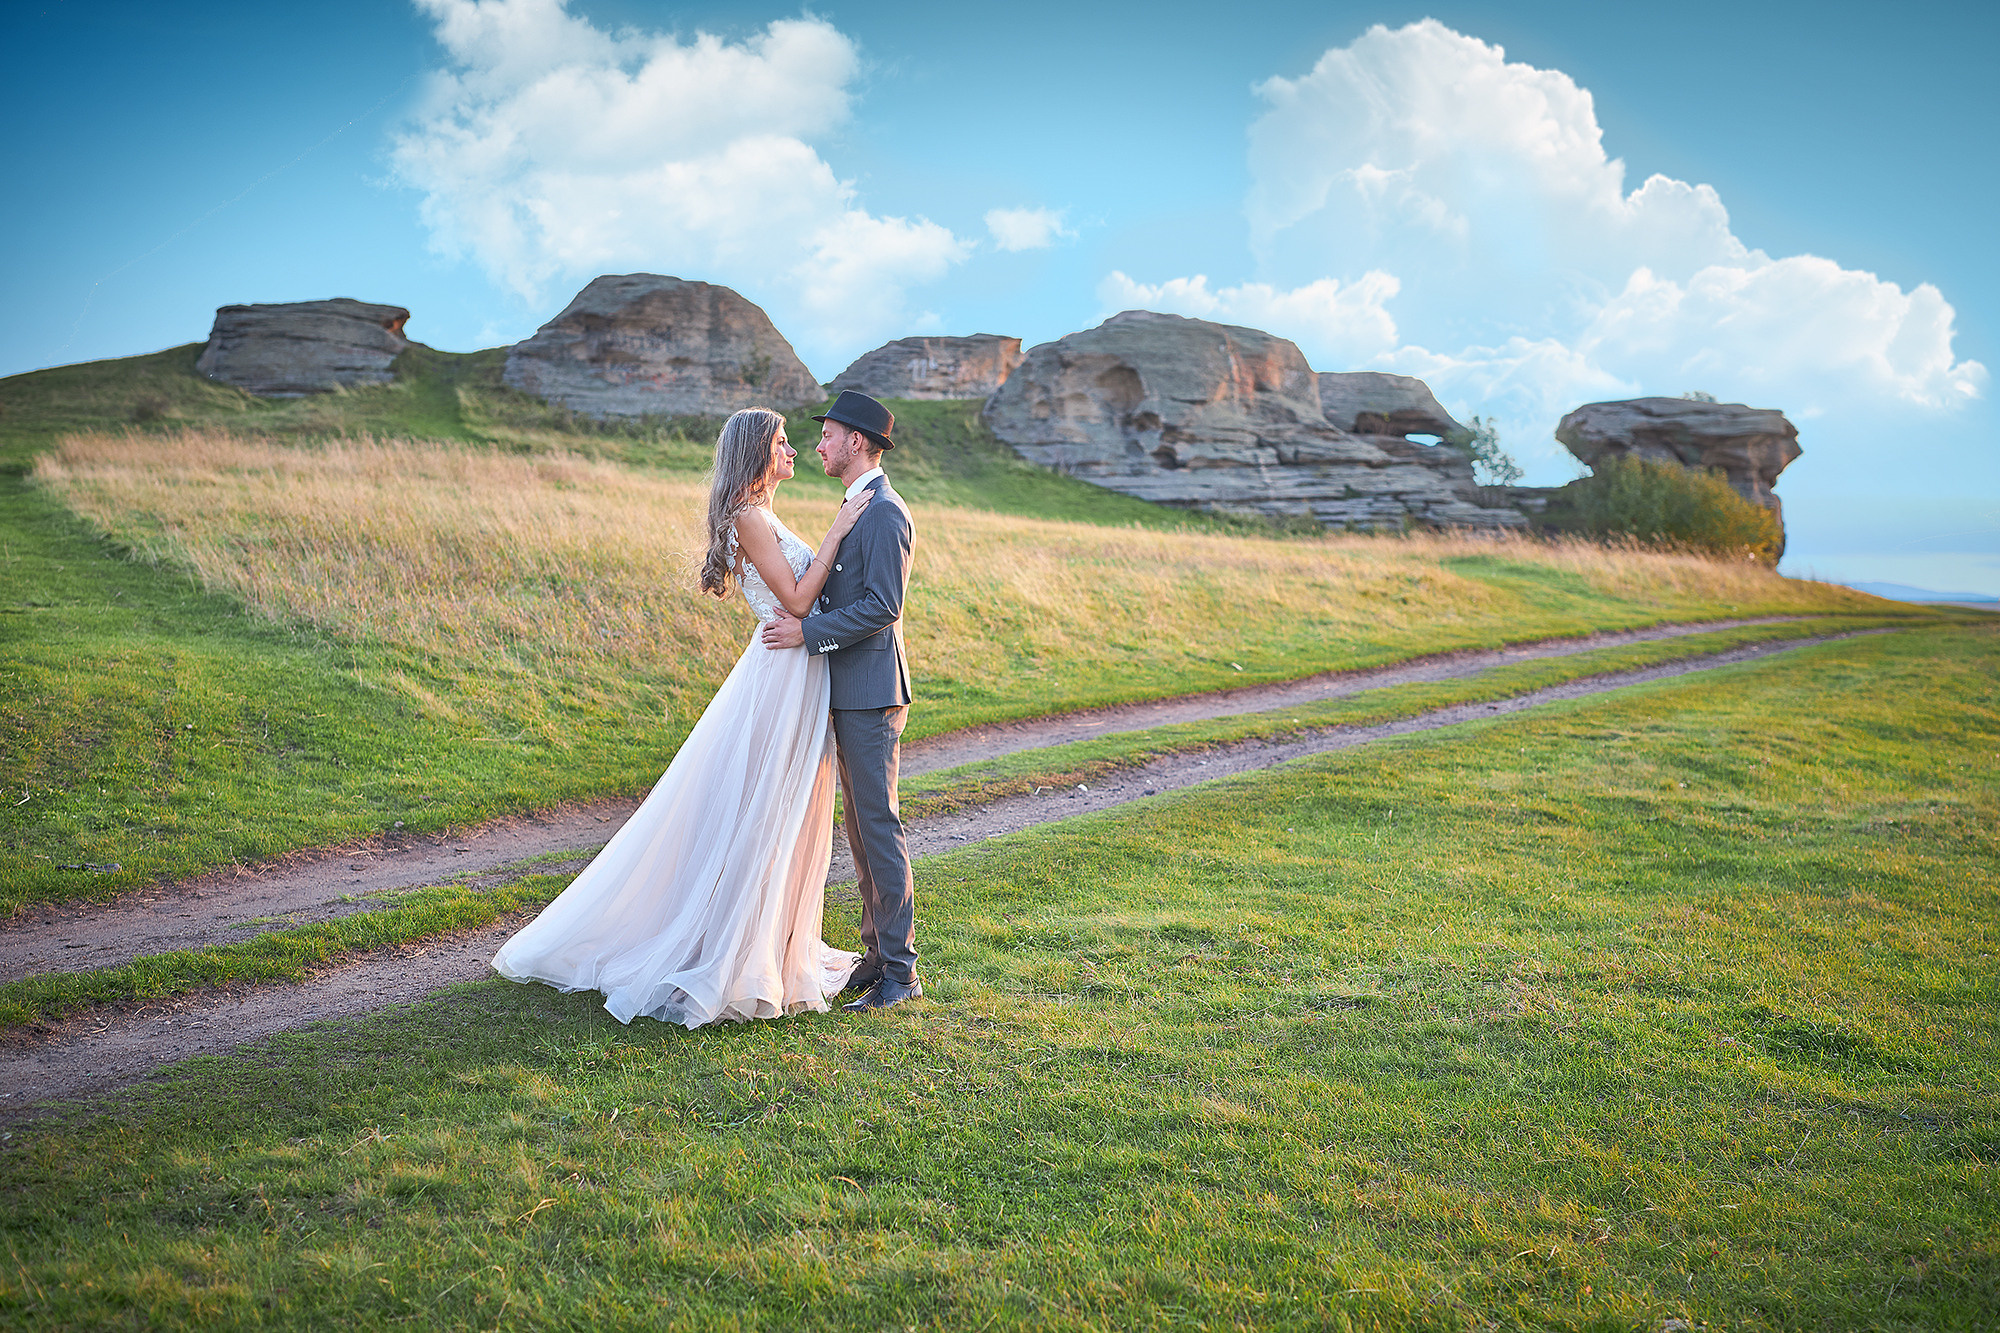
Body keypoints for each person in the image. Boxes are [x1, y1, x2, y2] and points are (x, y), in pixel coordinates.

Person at [490, 407, 875, 1027]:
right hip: (780, 675)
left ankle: (773, 943)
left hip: (798, 670)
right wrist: (838, 530)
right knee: (761, 808)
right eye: (782, 441)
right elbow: (798, 601)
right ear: (757, 452)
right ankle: (728, 951)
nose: (794, 450)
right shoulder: (748, 517)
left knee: (787, 808)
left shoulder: (762, 514)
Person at [761, 390, 921, 1011]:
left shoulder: (884, 512)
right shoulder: (860, 504)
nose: (819, 445)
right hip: (849, 689)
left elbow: (884, 606)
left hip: (871, 694)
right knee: (860, 829)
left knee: (878, 826)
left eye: (827, 434)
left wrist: (808, 632)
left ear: (856, 441)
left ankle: (901, 973)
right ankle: (876, 959)